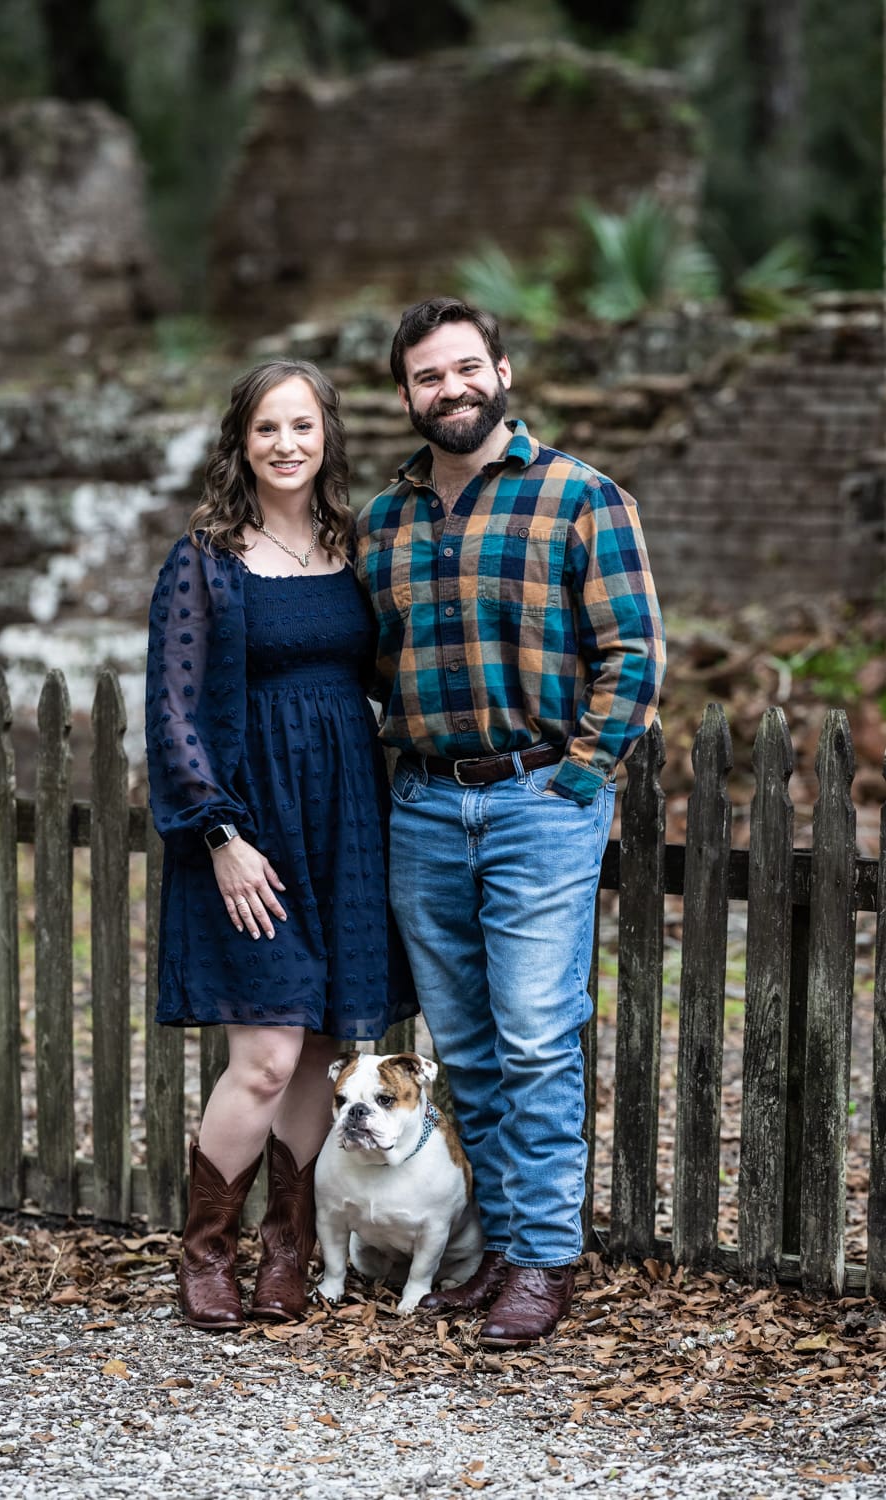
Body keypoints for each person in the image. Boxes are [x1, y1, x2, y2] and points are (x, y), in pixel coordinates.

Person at [356, 298, 665, 1348]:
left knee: (536, 1041)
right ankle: (490, 1252)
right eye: (427, 377)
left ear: (503, 372)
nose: (450, 390)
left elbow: (633, 653)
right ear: (404, 395)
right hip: (425, 806)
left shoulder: (579, 496)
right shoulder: (382, 522)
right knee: (471, 1051)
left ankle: (541, 1261)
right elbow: (363, 667)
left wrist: (579, 781)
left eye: (465, 368)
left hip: (539, 800)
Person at [145, 359, 417, 1332]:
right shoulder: (206, 560)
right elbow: (174, 714)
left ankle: (286, 1249)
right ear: (241, 443)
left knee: (315, 1054)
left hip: (343, 822)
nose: (286, 444)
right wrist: (219, 833)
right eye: (267, 428)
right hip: (250, 829)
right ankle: (205, 1252)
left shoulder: (355, 546)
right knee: (261, 1056)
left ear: (326, 438)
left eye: (302, 426)